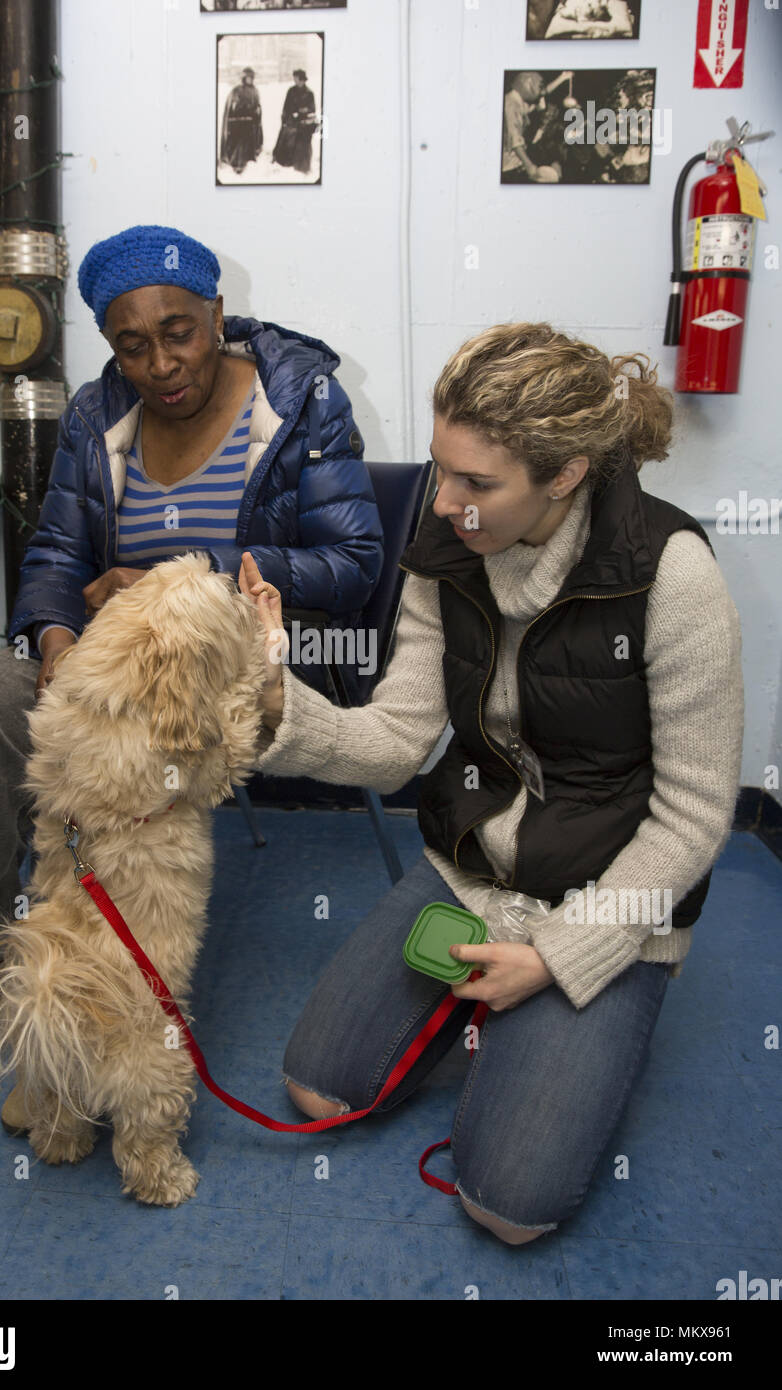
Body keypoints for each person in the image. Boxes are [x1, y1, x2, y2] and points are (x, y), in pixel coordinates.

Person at [240, 322, 744, 1245]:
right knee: (315, 1090)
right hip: (474, 865)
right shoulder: (444, 551)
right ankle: (481, 1010)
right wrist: (272, 706)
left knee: (506, 1207)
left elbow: (695, 816)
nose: (442, 504)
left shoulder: (671, 575)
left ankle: (533, 1009)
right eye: (441, 469)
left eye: (477, 483)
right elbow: (396, 741)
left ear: (565, 474)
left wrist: (556, 957)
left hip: (606, 893)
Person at [0, 224, 383, 1096]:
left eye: (179, 332)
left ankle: (96, 1013)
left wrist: (203, 578)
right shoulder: (98, 414)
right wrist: (57, 638)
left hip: (237, 656)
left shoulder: (301, 402)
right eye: (132, 345)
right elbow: (56, 561)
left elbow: (355, 564)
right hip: (120, 663)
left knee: (124, 772)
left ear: (217, 313)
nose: (161, 363)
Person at [272, 70, 318, 175]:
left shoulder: (309, 93)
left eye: (296, 78)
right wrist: (285, 118)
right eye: (294, 78)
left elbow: (312, 110)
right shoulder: (291, 91)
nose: (295, 80)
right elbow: (286, 107)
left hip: (303, 123)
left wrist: (303, 111)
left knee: (302, 143)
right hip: (291, 121)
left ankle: (302, 166)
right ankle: (284, 162)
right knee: (286, 138)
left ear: (301, 79)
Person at [219, 68, 263, 176]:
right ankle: (237, 164)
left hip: (250, 123)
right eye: (248, 78)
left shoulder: (255, 91)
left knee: (249, 144)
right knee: (238, 145)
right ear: (244, 78)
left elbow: (257, 105)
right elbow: (233, 108)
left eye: (252, 78)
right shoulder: (237, 90)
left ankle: (248, 160)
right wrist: (246, 108)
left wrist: (257, 111)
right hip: (238, 124)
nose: (250, 80)